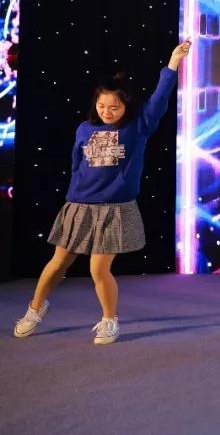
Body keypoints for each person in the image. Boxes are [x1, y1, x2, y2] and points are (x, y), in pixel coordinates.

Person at [14, 40, 192, 345]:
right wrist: (77, 193)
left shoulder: (138, 126)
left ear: (125, 107)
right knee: (57, 263)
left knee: (98, 268)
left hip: (114, 208)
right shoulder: (84, 129)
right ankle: (35, 309)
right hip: (80, 205)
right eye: (102, 106)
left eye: (114, 107)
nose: (107, 112)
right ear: (95, 104)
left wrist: (173, 63)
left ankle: (110, 321)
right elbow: (76, 163)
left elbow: (160, 98)